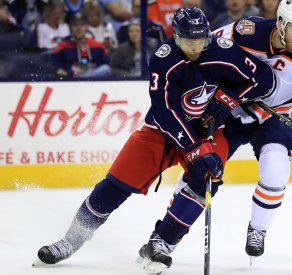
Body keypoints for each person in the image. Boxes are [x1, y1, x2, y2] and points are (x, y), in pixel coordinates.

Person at [34, 7, 275, 268]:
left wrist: (228, 101)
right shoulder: (163, 59)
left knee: (207, 177)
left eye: (201, 42)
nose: (195, 48)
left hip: (211, 130)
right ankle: (71, 240)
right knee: (116, 183)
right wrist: (193, 148)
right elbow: (164, 112)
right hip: (163, 129)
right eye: (188, 43)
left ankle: (162, 242)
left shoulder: (223, 50)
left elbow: (265, 80)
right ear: (175, 36)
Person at [176, 0, 292, 264]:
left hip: (275, 115)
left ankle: (258, 230)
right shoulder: (247, 30)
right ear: (281, 24)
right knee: (200, 171)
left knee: (276, 171)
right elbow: (207, 47)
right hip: (231, 110)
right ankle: (169, 233)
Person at [51, 12, 112, 78]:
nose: (79, 28)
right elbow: (54, 64)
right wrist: (68, 71)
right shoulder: (63, 46)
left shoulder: (97, 46)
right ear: (70, 27)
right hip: (71, 81)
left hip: (94, 82)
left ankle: (84, 78)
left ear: (87, 27)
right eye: (75, 25)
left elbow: (107, 63)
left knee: (106, 68)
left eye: (82, 25)